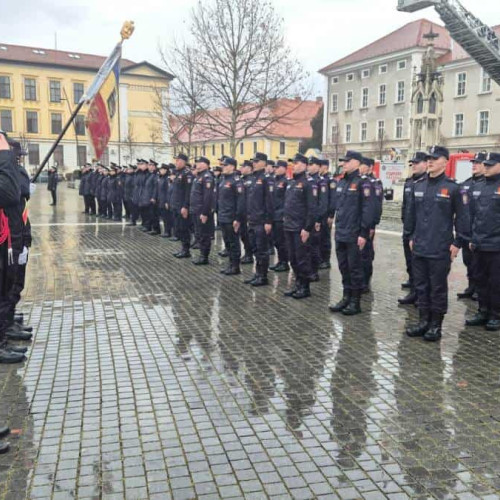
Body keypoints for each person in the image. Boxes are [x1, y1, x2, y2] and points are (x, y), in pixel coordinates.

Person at [405, 146, 470, 342]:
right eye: (428, 159)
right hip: (419, 246)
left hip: (440, 247)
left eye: (435, 158)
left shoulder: (453, 188)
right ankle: (423, 321)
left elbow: (463, 218)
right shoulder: (419, 185)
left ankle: (436, 325)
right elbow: (411, 215)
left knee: (437, 288)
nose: (430, 162)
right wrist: (410, 236)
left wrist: (458, 242)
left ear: (445, 161)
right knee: (421, 286)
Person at [329, 151, 375, 316]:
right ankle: (346, 297)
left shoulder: (363, 183)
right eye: (343, 161)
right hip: (341, 232)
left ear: (357, 162)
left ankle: (355, 302)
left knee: (355, 268)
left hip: (354, 234)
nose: (344, 164)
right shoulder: (341, 182)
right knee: (343, 267)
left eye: (347, 161)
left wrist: (363, 233)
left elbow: (367, 210)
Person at [465, 152, 500, 331]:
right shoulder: (478, 186)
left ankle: (496, 315)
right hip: (479, 243)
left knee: (496, 282)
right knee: (480, 280)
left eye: (490, 165)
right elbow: (472, 215)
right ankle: (482, 311)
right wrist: (471, 237)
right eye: (485, 165)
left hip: (496, 246)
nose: (485, 167)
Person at [0, 131, 26, 364]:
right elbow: (10, 192)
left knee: (8, 286)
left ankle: (5, 329)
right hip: (5, 239)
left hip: (11, 236)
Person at [283, 153, 318, 299]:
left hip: (300, 228)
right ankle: (297, 284)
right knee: (293, 258)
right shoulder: (291, 183)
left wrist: (307, 228)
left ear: (304, 165)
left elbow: (312, 208)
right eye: (293, 163)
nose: (294, 166)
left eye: (297, 163)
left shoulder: (308, 183)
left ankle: (305, 287)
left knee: (302, 258)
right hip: (289, 226)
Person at [398, 152, 428, 305]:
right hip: (408, 229)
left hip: (420, 232)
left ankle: (421, 295)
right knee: (410, 264)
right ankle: (414, 292)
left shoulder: (427, 183)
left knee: (420, 267)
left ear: (425, 164)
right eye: (412, 163)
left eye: (417, 163)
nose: (414, 165)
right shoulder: (409, 182)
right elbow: (405, 205)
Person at [457, 152, 486, 300]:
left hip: (478, 233)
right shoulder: (466, 184)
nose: (474, 165)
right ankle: (471, 286)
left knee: (478, 265)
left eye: (478, 163)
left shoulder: (485, 184)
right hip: (465, 231)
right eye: (473, 163)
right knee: (468, 261)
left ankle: (478, 289)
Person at [243, 152, 274, 287]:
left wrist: (268, 221)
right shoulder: (253, 178)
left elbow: (270, 202)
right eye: (253, 161)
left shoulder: (266, 179)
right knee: (255, 248)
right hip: (252, 219)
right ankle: (257, 273)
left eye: (256, 161)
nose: (254, 163)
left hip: (261, 221)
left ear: (263, 163)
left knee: (262, 250)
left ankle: (263, 276)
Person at [218, 157, 245, 275]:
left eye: (225, 165)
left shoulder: (236, 181)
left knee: (234, 243)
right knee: (227, 242)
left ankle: (235, 266)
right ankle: (230, 264)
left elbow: (240, 202)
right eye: (222, 165)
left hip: (231, 217)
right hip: (223, 216)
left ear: (232, 167)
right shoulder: (223, 179)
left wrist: (238, 219)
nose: (222, 167)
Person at [360, 157, 383, 293]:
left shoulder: (375, 183)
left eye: (363, 165)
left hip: (369, 225)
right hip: (359, 224)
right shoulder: (360, 181)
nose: (360, 167)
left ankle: (365, 281)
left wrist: (373, 226)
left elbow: (376, 206)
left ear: (369, 167)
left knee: (366, 253)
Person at [190, 157, 215, 265]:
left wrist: (205, 213)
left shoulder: (207, 177)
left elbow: (208, 197)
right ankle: (202, 254)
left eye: (199, 163)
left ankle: (204, 257)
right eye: (197, 163)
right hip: (196, 210)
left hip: (202, 212)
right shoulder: (198, 176)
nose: (197, 165)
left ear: (206, 164)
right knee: (199, 233)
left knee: (204, 235)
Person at [307, 157, 328, 281]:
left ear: (318, 166)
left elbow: (322, 204)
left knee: (314, 247)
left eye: (311, 164)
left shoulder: (321, 182)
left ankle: (314, 272)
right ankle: (307, 270)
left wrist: (318, 220)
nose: (309, 167)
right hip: (307, 220)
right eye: (308, 164)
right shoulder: (308, 180)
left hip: (315, 221)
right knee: (306, 248)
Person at [170, 154, 193, 258]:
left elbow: (188, 193)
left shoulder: (187, 174)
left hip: (182, 207)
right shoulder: (178, 173)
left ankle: (186, 250)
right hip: (176, 205)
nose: (176, 162)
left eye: (178, 161)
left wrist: (185, 206)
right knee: (179, 228)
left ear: (183, 161)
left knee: (184, 229)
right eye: (176, 161)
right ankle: (183, 248)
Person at [270, 160, 289, 272]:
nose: (275, 169)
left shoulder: (285, 182)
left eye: (278, 167)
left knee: (282, 241)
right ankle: (280, 261)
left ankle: (284, 262)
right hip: (273, 214)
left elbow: (287, 200)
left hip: (280, 215)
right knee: (276, 241)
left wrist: (284, 214)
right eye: (275, 167)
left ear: (284, 168)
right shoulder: (274, 181)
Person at [319, 159, 334, 269]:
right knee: (319, 237)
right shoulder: (321, 180)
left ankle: (326, 260)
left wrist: (331, 215)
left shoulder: (330, 180)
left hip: (327, 214)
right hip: (320, 213)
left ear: (325, 167)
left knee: (325, 238)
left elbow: (332, 200)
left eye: (321, 166)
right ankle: (320, 259)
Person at [239, 160, 254, 265]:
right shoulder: (242, 180)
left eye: (243, 167)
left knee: (248, 235)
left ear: (249, 168)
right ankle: (247, 253)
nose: (241, 169)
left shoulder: (251, 180)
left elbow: (251, 199)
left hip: (248, 213)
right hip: (241, 213)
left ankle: (249, 255)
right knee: (243, 235)